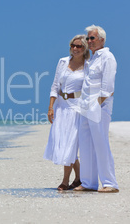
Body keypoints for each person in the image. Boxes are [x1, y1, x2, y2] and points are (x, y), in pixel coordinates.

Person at [74, 25, 119, 193]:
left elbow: (108, 87)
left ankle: (110, 183)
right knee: (85, 145)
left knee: (100, 143)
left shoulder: (108, 57)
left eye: (92, 38)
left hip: (99, 108)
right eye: (88, 38)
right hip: (85, 106)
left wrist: (95, 105)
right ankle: (88, 183)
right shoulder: (91, 59)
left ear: (102, 39)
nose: (89, 41)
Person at [44, 34, 89, 191]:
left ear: (85, 49)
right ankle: (79, 178)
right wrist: (51, 107)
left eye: (79, 46)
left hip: (76, 108)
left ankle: (65, 181)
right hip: (61, 107)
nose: (75, 49)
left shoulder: (88, 65)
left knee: (70, 145)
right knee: (63, 143)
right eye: (73, 45)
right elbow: (55, 85)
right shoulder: (63, 62)